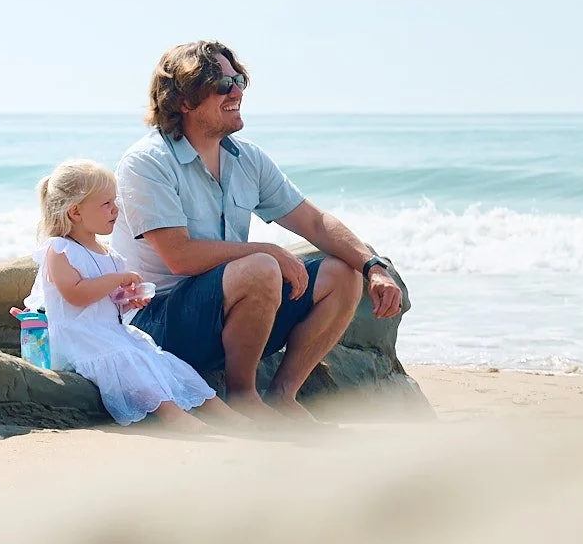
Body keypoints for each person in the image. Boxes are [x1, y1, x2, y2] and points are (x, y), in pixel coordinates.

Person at [113, 41, 404, 422]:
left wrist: (373, 267)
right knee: (262, 265)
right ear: (183, 100)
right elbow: (178, 256)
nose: (236, 91)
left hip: (227, 315)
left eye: (239, 80)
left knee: (341, 273)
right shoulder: (147, 162)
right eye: (221, 83)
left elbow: (314, 222)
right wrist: (268, 252)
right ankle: (243, 396)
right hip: (158, 326)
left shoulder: (245, 158)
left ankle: (283, 396)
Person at [25, 160, 248, 430]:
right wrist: (117, 280)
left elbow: (108, 299)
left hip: (110, 331)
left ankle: (221, 412)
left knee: (161, 359)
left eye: (115, 202)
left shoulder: (109, 253)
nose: (115, 210)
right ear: (75, 212)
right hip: (80, 337)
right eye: (106, 204)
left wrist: (128, 298)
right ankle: (174, 417)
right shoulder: (60, 250)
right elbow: (76, 295)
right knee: (129, 359)